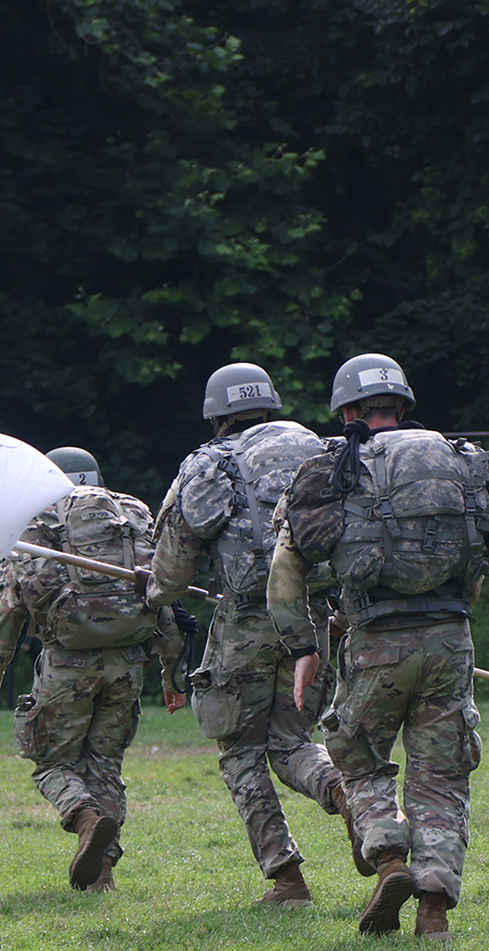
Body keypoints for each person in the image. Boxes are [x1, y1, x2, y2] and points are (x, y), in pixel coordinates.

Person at [268, 353, 489, 941]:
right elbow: (482, 557)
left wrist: (303, 647)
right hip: (451, 637)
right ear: (404, 406)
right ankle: (433, 909)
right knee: (441, 774)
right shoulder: (458, 460)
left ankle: (390, 860)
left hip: (374, 641)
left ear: (348, 410)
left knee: (358, 758)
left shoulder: (334, 467)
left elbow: (286, 572)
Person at [147, 364, 363, 907]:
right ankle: (344, 793)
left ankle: (288, 882)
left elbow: (172, 571)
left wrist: (154, 594)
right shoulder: (318, 447)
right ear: (269, 403)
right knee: (291, 740)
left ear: (216, 412)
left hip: (244, 620)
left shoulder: (207, 464)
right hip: (312, 618)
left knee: (240, 751)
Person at [0, 452, 187, 892]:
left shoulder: (34, 524)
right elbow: (159, 592)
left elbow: (10, 610)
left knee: (51, 760)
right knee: (105, 764)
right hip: (128, 661)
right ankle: (102, 873)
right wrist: (172, 674)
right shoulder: (127, 515)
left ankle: (85, 818)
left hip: (66, 664)